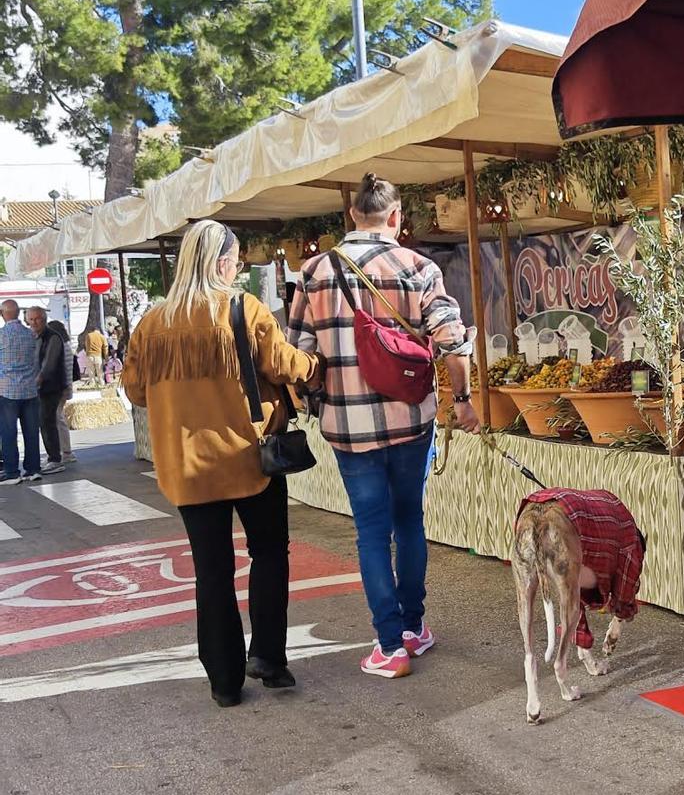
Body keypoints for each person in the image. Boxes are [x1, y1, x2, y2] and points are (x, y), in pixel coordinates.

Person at [288, 172, 479, 680]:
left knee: (371, 531)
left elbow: (299, 354)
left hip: (348, 427)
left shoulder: (313, 271)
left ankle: (389, 645)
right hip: (412, 419)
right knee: (409, 521)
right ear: (397, 218)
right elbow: (453, 342)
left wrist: (316, 399)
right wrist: (462, 401)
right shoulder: (418, 266)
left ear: (352, 216)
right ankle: (414, 628)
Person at [124, 220, 322, 708]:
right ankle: (269, 660)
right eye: (235, 260)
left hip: (188, 468)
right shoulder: (243, 308)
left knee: (211, 573)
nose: (237, 267)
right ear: (220, 262)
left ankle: (224, 681)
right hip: (250, 458)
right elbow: (283, 365)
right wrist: (315, 364)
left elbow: (134, 391)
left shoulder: (152, 323)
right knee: (269, 555)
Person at [0, 300, 41, 485]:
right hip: (30, 390)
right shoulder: (30, 334)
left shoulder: (1, 336)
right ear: (18, 314)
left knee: (9, 432)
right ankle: (33, 469)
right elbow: (35, 360)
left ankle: (12, 472)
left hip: (7, 390)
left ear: (3, 314)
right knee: (31, 432)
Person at [25, 308, 68, 475]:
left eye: (37, 319)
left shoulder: (52, 337)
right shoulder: (33, 336)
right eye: (31, 319)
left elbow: (49, 364)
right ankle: (52, 456)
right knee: (44, 421)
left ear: (44, 319)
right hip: (39, 386)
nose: (34, 322)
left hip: (51, 386)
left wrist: (39, 379)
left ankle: (55, 459)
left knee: (47, 420)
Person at [46, 320, 76, 463]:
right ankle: (64, 451)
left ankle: (65, 451)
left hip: (58, 388)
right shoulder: (67, 346)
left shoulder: (59, 347)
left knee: (57, 418)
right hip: (65, 386)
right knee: (58, 417)